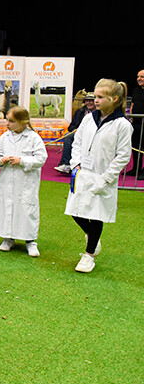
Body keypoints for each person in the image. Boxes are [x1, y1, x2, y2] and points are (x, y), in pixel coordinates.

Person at [65, 79, 132, 273]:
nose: (96, 100)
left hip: (103, 177)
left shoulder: (122, 125)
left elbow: (123, 156)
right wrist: (75, 164)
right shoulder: (88, 118)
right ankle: (91, 236)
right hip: (82, 173)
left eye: (100, 97)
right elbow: (77, 141)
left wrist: (107, 178)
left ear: (115, 99)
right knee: (75, 211)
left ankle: (89, 255)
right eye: (95, 96)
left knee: (96, 215)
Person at [0, 106, 47, 257]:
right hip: (7, 179)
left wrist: (21, 160)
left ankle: (30, 240)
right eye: (7, 120)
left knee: (27, 209)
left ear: (23, 123)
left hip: (26, 181)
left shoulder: (34, 138)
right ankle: (8, 237)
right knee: (7, 206)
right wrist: (0, 160)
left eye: (11, 121)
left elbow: (41, 158)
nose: (7, 124)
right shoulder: (5, 137)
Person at [54, 93, 95, 174]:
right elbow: (71, 127)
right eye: (87, 101)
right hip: (80, 135)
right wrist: (76, 130)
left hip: (93, 135)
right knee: (68, 136)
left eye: (91, 101)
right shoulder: (80, 112)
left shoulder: (100, 113)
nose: (89, 103)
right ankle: (66, 164)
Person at [125, 69, 144, 178]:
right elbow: (132, 105)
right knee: (136, 147)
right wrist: (131, 118)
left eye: (142, 77)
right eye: (138, 76)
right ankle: (136, 169)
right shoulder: (136, 90)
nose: (139, 79)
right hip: (136, 123)